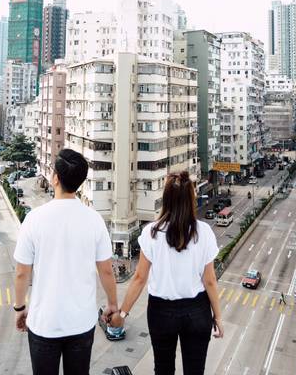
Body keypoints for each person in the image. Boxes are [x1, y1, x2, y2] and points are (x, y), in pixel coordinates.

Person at [13, 148, 118, 375]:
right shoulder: (94, 219)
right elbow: (106, 272)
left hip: (44, 324)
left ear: (55, 178)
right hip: (81, 323)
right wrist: (112, 305)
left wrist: (20, 308)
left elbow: (22, 273)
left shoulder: (34, 219)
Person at [113, 171, 224, 375]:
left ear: (165, 199)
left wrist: (122, 313)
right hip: (197, 310)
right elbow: (210, 281)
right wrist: (217, 317)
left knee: (163, 369)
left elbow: (139, 278)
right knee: (195, 370)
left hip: (161, 312)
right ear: (192, 199)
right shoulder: (204, 232)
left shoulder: (152, 232)